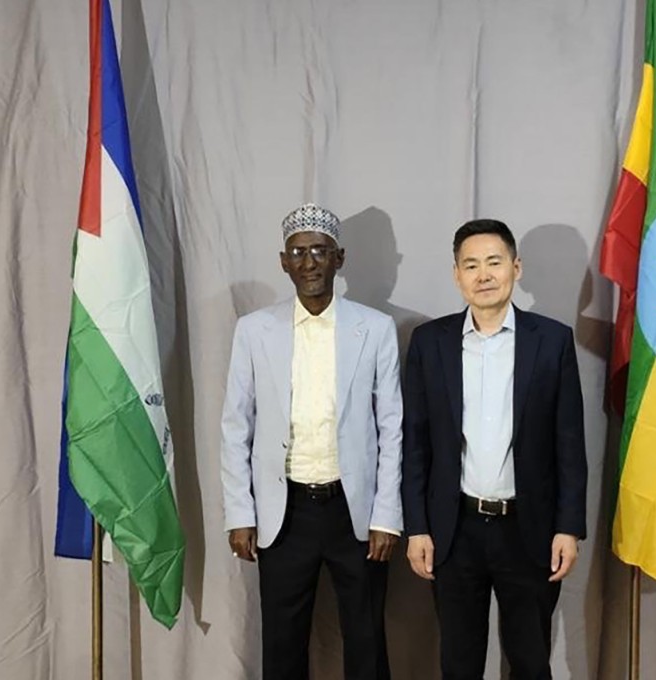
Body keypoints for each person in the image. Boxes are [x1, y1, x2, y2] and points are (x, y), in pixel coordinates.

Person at [221, 203, 403, 680]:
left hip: (354, 509)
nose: (309, 262)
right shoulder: (254, 330)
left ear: (339, 258)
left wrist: (386, 515)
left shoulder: (375, 329)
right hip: (285, 512)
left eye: (320, 251)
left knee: (366, 639)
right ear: (284, 261)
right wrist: (241, 513)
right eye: (299, 252)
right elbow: (236, 426)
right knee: (283, 645)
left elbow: (392, 426)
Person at [401, 219, 587, 679]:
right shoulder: (430, 342)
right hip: (454, 529)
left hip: (529, 528)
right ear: (457, 276)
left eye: (493, 262)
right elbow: (415, 443)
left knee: (530, 660)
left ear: (515, 268)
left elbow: (569, 442)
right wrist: (417, 527)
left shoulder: (552, 341)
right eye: (471, 265)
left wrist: (568, 527)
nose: (483, 275)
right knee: (458, 663)